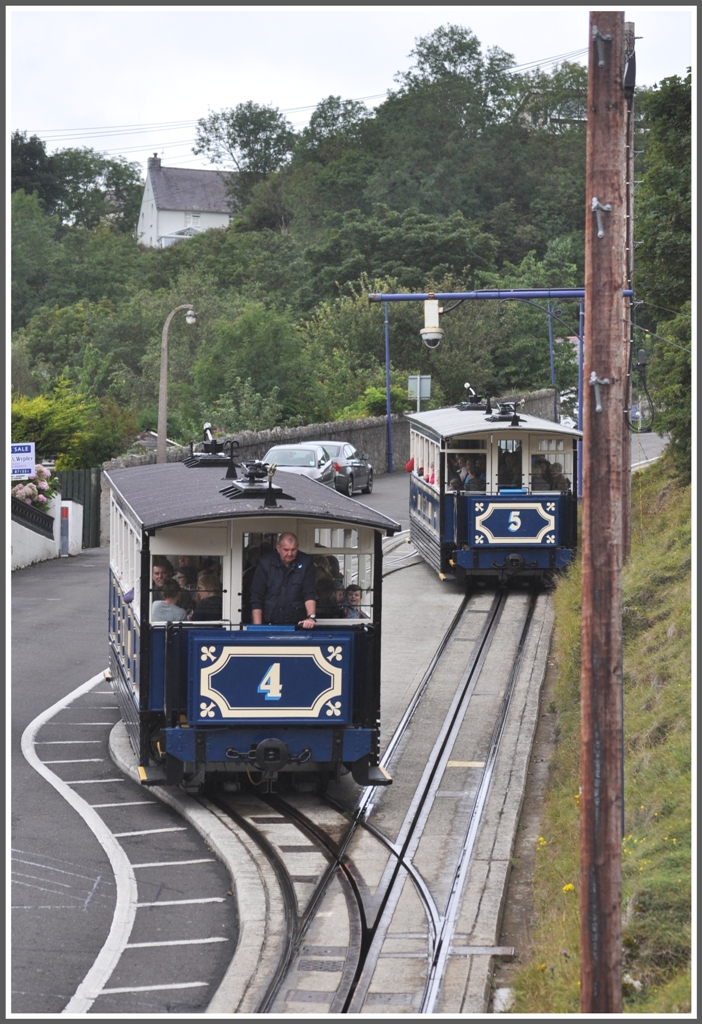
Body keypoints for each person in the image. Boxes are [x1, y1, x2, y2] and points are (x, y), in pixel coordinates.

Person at [249, 532, 317, 628]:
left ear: (298, 546)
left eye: (293, 550)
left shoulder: (306, 562)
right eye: (286, 550)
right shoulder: (265, 563)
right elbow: (257, 597)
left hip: (297, 625)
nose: (290, 554)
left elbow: (309, 592)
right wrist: (258, 629)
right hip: (268, 625)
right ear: (278, 548)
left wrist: (311, 617)